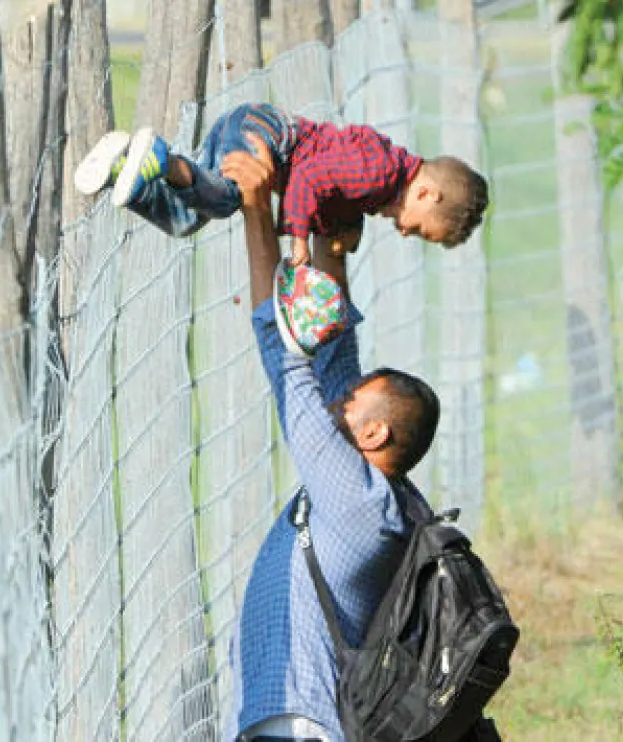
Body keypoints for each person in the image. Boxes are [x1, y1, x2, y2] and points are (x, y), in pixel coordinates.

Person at [219, 135, 444, 742]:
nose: (338, 400)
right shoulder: (379, 490)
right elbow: (334, 360)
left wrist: (257, 212)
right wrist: (330, 248)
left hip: (299, 727)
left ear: (374, 431)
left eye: (351, 402)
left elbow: (288, 363)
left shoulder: (355, 501)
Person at [72, 102, 489, 266]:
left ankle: (122, 165)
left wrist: (340, 227)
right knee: (227, 200)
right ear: (427, 194)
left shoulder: (381, 178)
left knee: (186, 219)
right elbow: (309, 176)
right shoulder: (378, 173)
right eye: (416, 227)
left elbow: (330, 190)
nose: (402, 229)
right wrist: (299, 240)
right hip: (267, 135)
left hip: (255, 125)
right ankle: (162, 160)